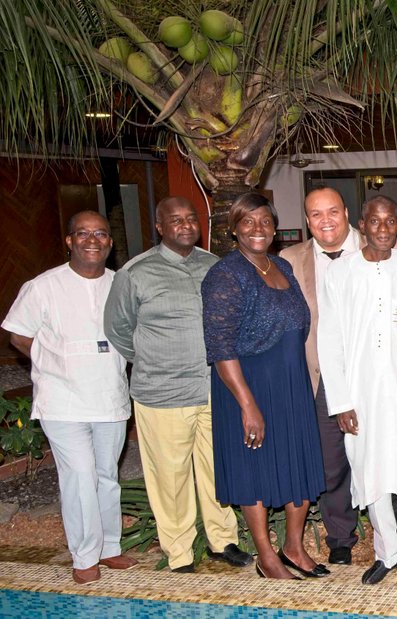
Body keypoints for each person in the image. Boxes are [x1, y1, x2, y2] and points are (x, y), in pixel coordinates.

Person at [103, 196, 252, 574]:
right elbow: (118, 330)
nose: (185, 225)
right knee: (170, 477)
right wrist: (155, 359)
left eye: (190, 218)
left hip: (213, 389)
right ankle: (180, 552)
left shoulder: (214, 266)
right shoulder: (135, 273)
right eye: (175, 219)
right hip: (163, 393)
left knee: (217, 469)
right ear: (159, 226)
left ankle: (223, 540)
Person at [2, 211, 138, 584]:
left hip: (110, 397)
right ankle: (83, 555)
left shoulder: (121, 284)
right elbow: (18, 335)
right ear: (69, 240)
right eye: (83, 233)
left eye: (100, 234)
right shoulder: (43, 286)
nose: (92, 240)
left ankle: (109, 548)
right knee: (79, 476)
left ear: (110, 243)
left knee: (106, 476)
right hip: (62, 400)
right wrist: (55, 363)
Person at [279, 186, 397, 567]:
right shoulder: (290, 258)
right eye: (316, 214)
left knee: (390, 451)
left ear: (349, 214)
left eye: (332, 212)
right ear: (307, 220)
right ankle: (340, 536)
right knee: (332, 459)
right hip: (324, 375)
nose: (325, 221)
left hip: (383, 376)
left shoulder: (389, 244)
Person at [202, 193, 326, 580]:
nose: (258, 229)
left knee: (298, 464)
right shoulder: (225, 275)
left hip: (291, 383)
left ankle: (293, 546)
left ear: (275, 227)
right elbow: (221, 348)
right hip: (248, 386)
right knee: (254, 468)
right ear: (234, 228)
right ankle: (266, 556)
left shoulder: (282, 267)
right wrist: (247, 405)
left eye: (264, 221)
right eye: (248, 222)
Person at [317, 197, 397, 585]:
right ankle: (387, 553)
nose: (383, 228)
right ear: (361, 225)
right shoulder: (341, 272)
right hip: (361, 395)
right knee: (372, 474)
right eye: (375, 221)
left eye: (390, 221)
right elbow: (329, 340)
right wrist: (341, 402)